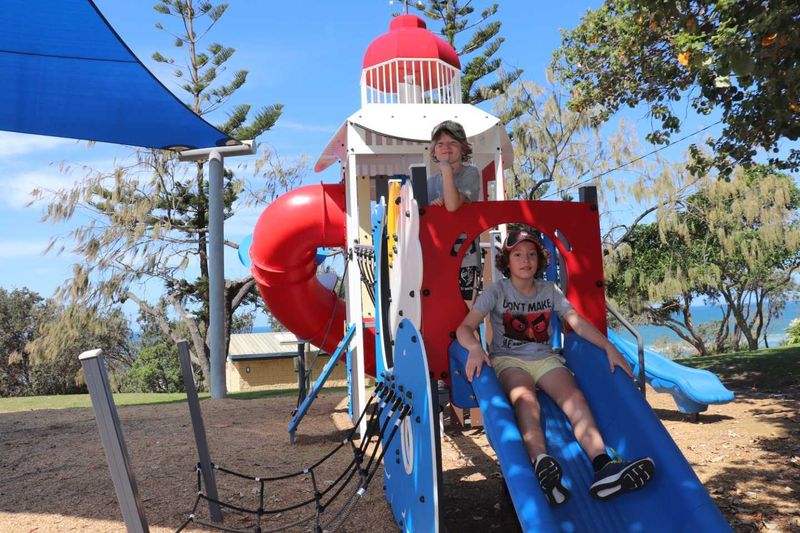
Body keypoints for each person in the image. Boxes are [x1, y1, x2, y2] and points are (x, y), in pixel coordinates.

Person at [455, 230, 655, 504]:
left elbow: (577, 322)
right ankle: (541, 464)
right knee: (526, 400)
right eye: (517, 254)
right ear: (506, 261)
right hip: (509, 360)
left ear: (539, 259)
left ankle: (603, 466)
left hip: (546, 358)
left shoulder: (549, 290)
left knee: (575, 399)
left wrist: (609, 346)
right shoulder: (496, 291)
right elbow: (464, 328)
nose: (525, 260)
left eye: (531, 254)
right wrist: (475, 348)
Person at [427, 120, 482, 299]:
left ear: (463, 148)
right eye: (440, 144)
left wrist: (445, 169)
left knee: (463, 313)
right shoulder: (429, 183)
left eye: (453, 143)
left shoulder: (470, 174)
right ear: (434, 150)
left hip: (465, 257)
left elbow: (452, 205)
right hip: (437, 257)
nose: (446, 148)